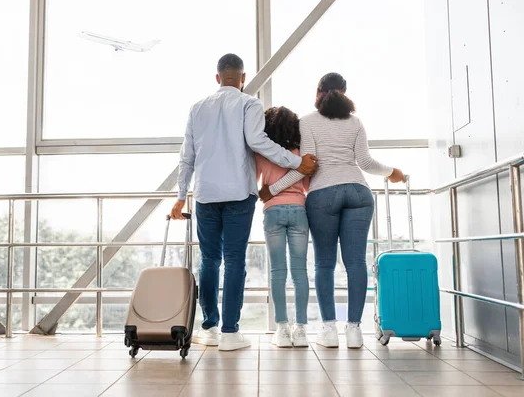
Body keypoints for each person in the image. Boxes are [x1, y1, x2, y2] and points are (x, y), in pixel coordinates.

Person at [170, 53, 318, 351]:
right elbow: (257, 142)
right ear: (243, 78)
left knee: (209, 260)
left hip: (206, 195)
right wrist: (296, 162)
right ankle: (230, 333)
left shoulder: (197, 108)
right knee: (235, 260)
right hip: (239, 194)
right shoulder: (249, 103)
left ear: (217, 78)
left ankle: (209, 328)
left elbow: (186, 158)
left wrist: (180, 197)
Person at [260, 73, 405, 349]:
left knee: (324, 263)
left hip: (323, 194)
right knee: (355, 263)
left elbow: (308, 166)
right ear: (345, 92)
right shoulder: (355, 122)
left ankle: (329, 330)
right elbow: (365, 161)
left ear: (318, 92)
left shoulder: (307, 121)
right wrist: (393, 172)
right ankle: (354, 330)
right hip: (358, 192)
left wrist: (272, 189)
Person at [256, 107, 310, 348]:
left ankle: (281, 328)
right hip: (299, 211)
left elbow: (255, 183)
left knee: (278, 272)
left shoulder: (261, 154)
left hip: (273, 212)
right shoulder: (299, 154)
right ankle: (301, 330)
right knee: (300, 272)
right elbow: (307, 183)